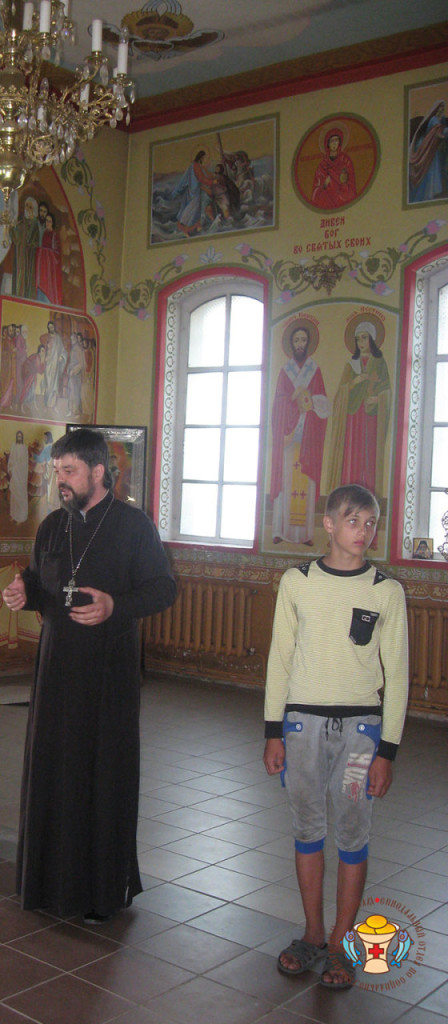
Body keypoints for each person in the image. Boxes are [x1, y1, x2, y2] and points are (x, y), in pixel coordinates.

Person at [2, 429, 176, 922]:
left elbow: (162, 589)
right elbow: (41, 584)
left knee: (101, 774)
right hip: (55, 668)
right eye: (56, 471)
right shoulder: (52, 526)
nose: (60, 480)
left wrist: (116, 605)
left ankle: (100, 890)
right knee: (54, 770)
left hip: (108, 671)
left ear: (98, 472)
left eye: (69, 471)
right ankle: (47, 881)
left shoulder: (133, 526)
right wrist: (24, 593)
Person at [263, 484, 409, 990]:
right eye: (353, 520)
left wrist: (387, 751)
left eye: (371, 522)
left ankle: (343, 942)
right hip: (301, 726)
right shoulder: (297, 582)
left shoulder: (386, 591)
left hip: (361, 734)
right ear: (328, 525)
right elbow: (280, 660)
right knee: (307, 829)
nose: (364, 531)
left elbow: (398, 677)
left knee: (352, 832)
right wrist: (273, 731)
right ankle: (313, 933)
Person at [270, 324, 329, 545]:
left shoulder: (315, 370)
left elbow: (323, 403)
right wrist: (292, 397)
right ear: (291, 344)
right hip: (288, 438)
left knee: (306, 483)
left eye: (303, 340)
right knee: (286, 482)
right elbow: (277, 405)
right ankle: (280, 531)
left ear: (308, 343)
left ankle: (306, 535)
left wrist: (311, 402)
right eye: (296, 340)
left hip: (308, 436)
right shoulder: (285, 372)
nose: (300, 344)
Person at [322, 320, 391, 497]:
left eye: (364, 338)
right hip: (353, 418)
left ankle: (368, 497)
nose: (361, 342)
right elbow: (340, 395)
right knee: (352, 454)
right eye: (358, 339)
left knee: (368, 454)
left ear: (372, 340)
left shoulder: (380, 363)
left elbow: (386, 390)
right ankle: (347, 496)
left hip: (371, 416)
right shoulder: (351, 365)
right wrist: (355, 382)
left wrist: (378, 398)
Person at [311, 128, 357, 209]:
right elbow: (316, 187)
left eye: (336, 140)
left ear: (339, 143)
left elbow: (351, 184)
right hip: (327, 197)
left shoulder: (345, 160)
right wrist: (325, 184)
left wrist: (343, 183)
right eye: (332, 141)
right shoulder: (323, 164)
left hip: (343, 194)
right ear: (328, 144)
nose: (334, 143)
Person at [7, 430, 29, 524]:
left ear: (22, 438)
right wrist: (11, 469)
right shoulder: (13, 446)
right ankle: (13, 515)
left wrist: (20, 468)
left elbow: (25, 462)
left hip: (21, 475)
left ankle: (21, 517)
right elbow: (11, 459)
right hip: (15, 474)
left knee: (21, 495)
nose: (19, 438)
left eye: (20, 436)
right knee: (14, 495)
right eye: (18, 436)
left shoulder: (24, 448)